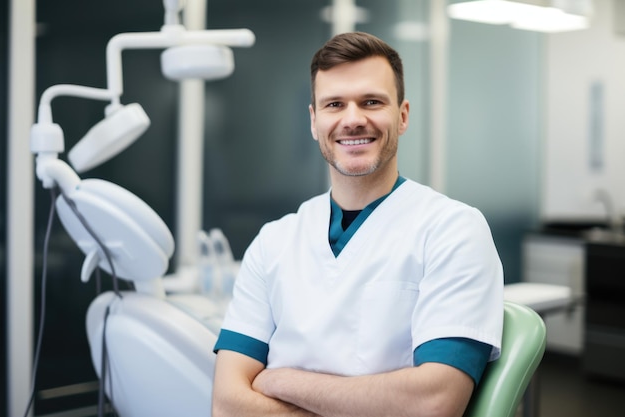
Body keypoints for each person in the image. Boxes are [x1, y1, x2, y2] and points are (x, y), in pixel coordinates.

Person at [211, 31, 504, 417]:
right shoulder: (274, 241)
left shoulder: (453, 230)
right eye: (334, 104)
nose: (353, 120)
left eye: (371, 102)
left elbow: (433, 403)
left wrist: (279, 380)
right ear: (314, 121)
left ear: (402, 116)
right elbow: (227, 404)